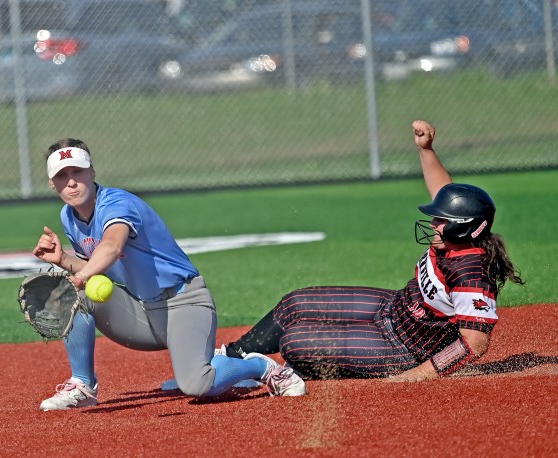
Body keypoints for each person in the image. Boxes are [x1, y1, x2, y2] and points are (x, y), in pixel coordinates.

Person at [216, 120, 524, 382]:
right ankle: (232, 357)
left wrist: (415, 375)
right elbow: (443, 190)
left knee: (295, 341)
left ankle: (275, 371)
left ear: (466, 228)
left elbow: (474, 344)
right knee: (294, 304)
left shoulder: (471, 273)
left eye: (442, 220)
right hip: (390, 307)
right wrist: (426, 149)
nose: (433, 224)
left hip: (403, 348)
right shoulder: (455, 239)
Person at [33, 138, 306, 411]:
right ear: (51, 183)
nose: (71, 182)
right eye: (62, 175)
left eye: (77, 171)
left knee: (197, 385)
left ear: (92, 171)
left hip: (184, 302)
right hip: (142, 312)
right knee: (71, 293)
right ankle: (83, 386)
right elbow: (103, 266)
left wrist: (82, 276)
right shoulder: (69, 217)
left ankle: (259, 366)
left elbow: (112, 247)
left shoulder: (116, 203)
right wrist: (64, 260)